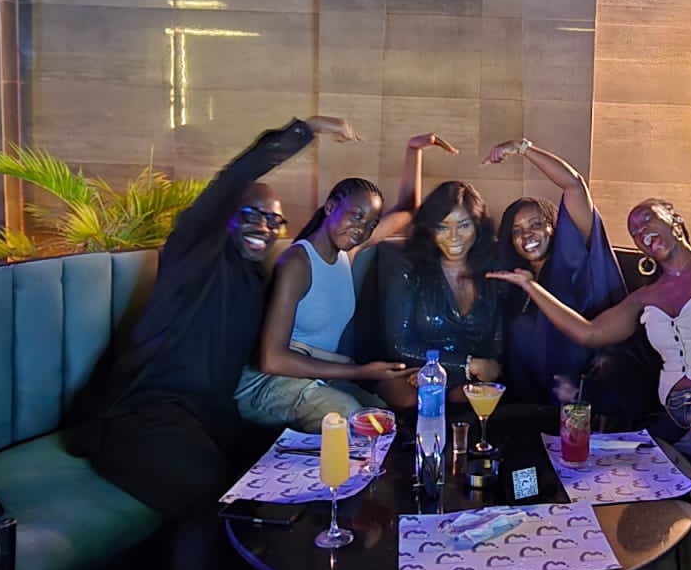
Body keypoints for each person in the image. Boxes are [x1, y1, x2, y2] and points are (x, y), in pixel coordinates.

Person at [78, 115, 359, 570]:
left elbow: (292, 319)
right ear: (226, 218)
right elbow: (233, 180)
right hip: (139, 418)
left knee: (279, 481)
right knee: (216, 506)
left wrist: (360, 369)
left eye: (274, 221)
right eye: (251, 214)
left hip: (203, 422)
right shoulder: (193, 257)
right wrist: (304, 131)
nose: (263, 227)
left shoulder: (254, 282)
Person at [490, 196, 691, 494]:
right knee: (594, 467)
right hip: (671, 420)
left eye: (648, 218)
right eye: (634, 231)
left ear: (674, 220)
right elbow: (588, 333)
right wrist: (530, 286)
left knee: (671, 475)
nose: (641, 230)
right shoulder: (646, 296)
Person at [234, 134, 458, 431]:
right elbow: (272, 359)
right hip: (269, 384)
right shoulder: (297, 263)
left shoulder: (348, 252)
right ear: (330, 207)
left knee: (387, 413)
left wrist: (413, 150)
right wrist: (359, 372)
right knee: (351, 418)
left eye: (370, 224)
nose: (361, 229)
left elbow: (407, 211)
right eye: (356, 216)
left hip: (319, 375)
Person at [486, 136, 657, 429]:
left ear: (554, 227)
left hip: (595, 404)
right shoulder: (511, 285)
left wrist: (524, 149)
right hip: (536, 409)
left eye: (536, 224)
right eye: (517, 231)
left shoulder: (576, 258)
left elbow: (574, 185)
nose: (527, 235)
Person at [359, 179, 505, 408]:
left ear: (478, 226)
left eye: (464, 225)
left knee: (474, 399)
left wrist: (477, 371)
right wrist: (467, 365)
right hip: (412, 373)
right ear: (429, 230)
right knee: (416, 401)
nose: (454, 236)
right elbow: (399, 346)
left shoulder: (492, 272)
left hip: (469, 380)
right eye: (443, 227)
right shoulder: (408, 268)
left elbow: (496, 347)